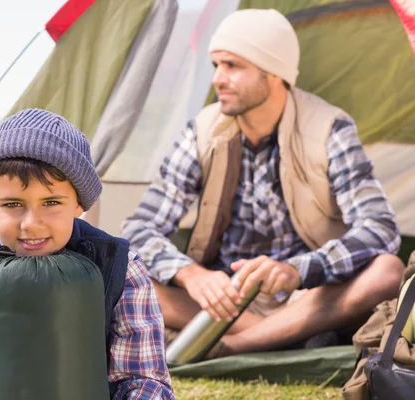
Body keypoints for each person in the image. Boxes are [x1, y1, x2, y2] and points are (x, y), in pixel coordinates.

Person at [121, 8, 405, 358]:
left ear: (273, 73)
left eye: (232, 66)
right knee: (119, 276)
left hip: (309, 297)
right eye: (216, 65)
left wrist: (296, 271)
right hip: (225, 301)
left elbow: (380, 229)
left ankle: (229, 348)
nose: (218, 79)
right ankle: (287, 337)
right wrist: (190, 274)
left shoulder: (330, 128)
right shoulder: (204, 130)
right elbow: (138, 227)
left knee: (388, 272)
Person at [0, 109, 175, 399]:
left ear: (79, 203)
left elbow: (144, 380)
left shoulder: (120, 268)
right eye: (13, 204)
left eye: (51, 202)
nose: (31, 224)